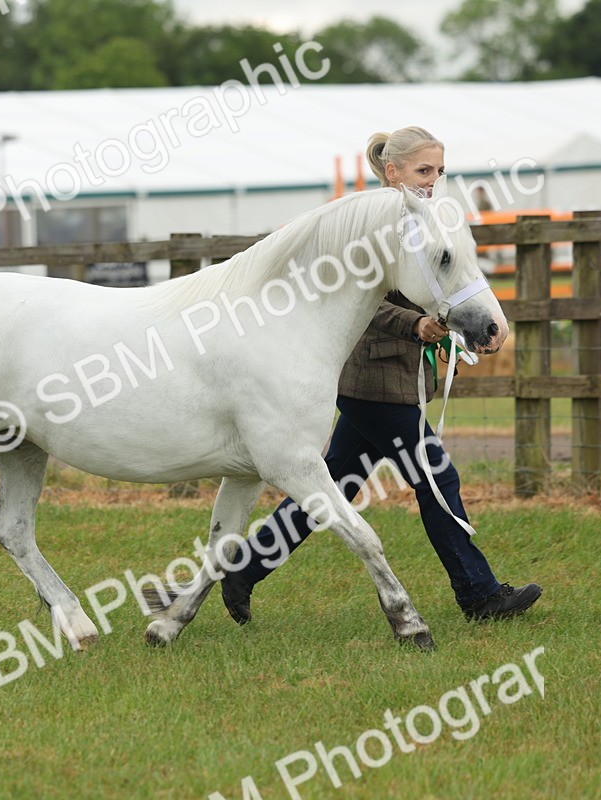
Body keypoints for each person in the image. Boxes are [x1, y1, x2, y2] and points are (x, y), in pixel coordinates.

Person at [221, 126, 542, 625]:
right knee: (437, 479)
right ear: (393, 171)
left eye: (438, 171)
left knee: (335, 484)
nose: (433, 181)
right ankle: (479, 596)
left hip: (388, 380)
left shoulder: (422, 222)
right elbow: (356, 300)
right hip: (372, 379)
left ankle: (243, 570)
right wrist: (415, 323)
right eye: (422, 171)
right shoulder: (372, 224)